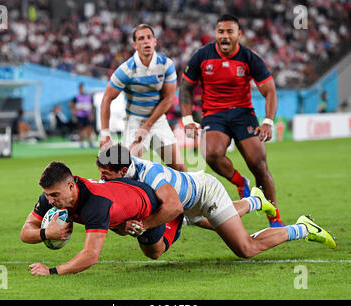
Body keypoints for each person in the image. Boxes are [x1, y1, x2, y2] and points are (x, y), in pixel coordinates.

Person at [96, 144, 337, 262]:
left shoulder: (150, 175)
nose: (102, 178)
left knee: (246, 248)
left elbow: (174, 208)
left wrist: (144, 225)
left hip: (203, 194)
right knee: (155, 252)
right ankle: (255, 200)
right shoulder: (122, 170)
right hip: (185, 202)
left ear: (124, 170)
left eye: (105, 174)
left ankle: (304, 227)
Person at [179, 14, 284, 227]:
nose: (225, 36)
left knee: (258, 164)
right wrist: (188, 118)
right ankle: (239, 181)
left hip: (243, 114)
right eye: (221, 32)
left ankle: (275, 218)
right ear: (215, 34)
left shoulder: (249, 57)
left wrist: (268, 121)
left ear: (239, 34)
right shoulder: (202, 55)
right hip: (214, 115)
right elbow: (186, 87)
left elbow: (270, 90)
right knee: (210, 153)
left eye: (229, 32)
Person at [20, 161, 184, 276]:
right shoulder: (53, 196)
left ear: (71, 187)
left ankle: (177, 218)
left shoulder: (94, 205)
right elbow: (25, 232)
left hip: (146, 204)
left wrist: (51, 271)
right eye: (47, 195)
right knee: (120, 227)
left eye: (54, 195)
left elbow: (90, 256)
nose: (50, 201)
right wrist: (46, 233)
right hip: (117, 199)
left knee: (155, 252)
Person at [99, 24, 185, 172]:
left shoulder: (166, 65)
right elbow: (107, 98)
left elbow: (168, 99)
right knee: (130, 169)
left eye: (149, 37)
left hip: (157, 120)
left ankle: (190, 195)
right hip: (134, 121)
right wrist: (105, 133)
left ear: (155, 41)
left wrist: (147, 126)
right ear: (135, 45)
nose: (146, 41)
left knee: (179, 168)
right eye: (141, 39)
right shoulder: (126, 70)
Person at [68, 83, 96, 148]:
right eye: (80, 88)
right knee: (80, 130)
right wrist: (75, 109)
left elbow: (91, 106)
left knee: (88, 129)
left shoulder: (88, 97)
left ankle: (90, 142)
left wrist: (91, 114)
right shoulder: (76, 97)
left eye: (82, 88)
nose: (82, 89)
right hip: (80, 115)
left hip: (87, 115)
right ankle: (81, 143)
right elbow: (70, 104)